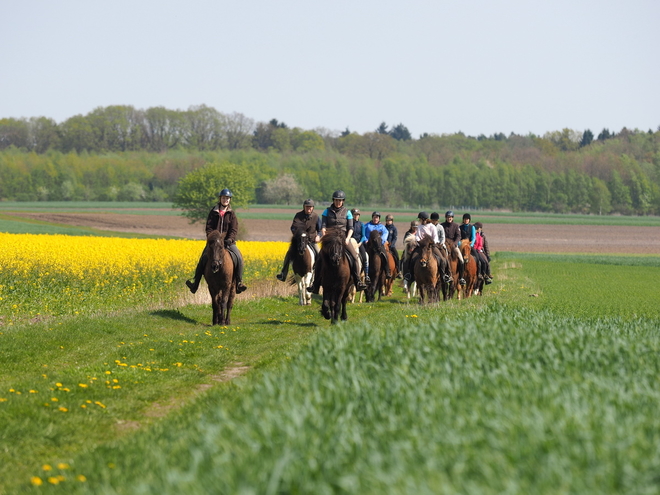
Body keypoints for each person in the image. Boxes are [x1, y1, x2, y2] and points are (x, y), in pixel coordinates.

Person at [185, 188, 247, 294]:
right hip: (214, 243)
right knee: (203, 259)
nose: (225, 200)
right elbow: (209, 227)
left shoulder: (231, 214)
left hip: (228, 243)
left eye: (227, 198)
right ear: (220, 199)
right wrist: (212, 238)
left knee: (238, 258)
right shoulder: (213, 212)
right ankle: (195, 284)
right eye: (223, 198)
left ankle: (239, 283)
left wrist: (230, 239)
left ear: (229, 200)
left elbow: (234, 229)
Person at [307, 190, 368, 294]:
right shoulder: (327, 211)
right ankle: (315, 284)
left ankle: (357, 281)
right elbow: (324, 226)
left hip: (343, 238)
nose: (338, 202)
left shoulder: (347, 212)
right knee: (319, 258)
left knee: (354, 257)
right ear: (333, 200)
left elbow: (351, 228)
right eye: (336, 200)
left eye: (340, 200)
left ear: (343, 201)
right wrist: (325, 235)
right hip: (330, 239)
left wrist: (348, 238)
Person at [276, 199, 321, 282]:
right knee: (289, 254)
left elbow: (320, 229)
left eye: (310, 207)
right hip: (300, 241)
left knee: (320, 254)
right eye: (307, 207)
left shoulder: (316, 217)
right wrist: (297, 235)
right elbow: (293, 227)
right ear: (304, 207)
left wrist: (318, 236)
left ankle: (320, 276)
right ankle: (283, 274)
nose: (309, 209)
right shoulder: (298, 215)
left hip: (311, 241)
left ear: (313, 208)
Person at [362, 211, 392, 279]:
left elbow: (385, 233)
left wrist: (381, 241)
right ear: (372, 218)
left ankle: (387, 271)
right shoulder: (367, 226)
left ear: (379, 219)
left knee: (385, 255)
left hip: (378, 245)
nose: (376, 219)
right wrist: (365, 240)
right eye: (374, 217)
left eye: (377, 217)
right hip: (368, 244)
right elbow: (363, 234)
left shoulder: (382, 227)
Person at [441, 210, 466, 285]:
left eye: (451, 217)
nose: (449, 218)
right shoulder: (442, 225)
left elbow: (458, 236)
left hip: (453, 245)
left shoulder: (456, 226)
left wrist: (455, 244)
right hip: (444, 245)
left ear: (452, 218)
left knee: (461, 260)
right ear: (446, 217)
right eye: (448, 217)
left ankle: (461, 277)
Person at [459, 213, 482, 277]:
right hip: (462, 246)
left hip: (469, 246)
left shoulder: (472, 227)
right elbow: (459, 237)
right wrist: (460, 244)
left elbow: (473, 238)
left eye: (467, 219)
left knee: (477, 258)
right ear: (463, 220)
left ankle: (478, 273)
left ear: (469, 220)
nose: (466, 220)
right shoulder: (460, 227)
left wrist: (471, 245)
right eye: (465, 219)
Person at [351, 208, 370, 283]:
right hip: (351, 243)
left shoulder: (361, 224)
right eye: (355, 215)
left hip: (359, 243)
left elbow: (363, 236)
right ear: (352, 215)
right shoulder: (349, 224)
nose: (356, 216)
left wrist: (360, 243)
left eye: (357, 215)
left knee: (365, 257)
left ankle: (366, 275)